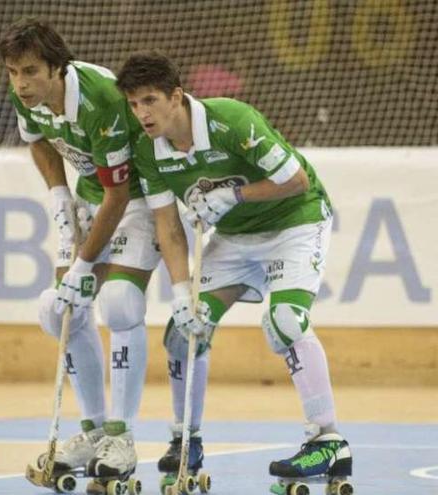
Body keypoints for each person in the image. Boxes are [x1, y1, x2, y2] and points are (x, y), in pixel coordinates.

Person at [116, 50, 352, 486]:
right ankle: (187, 438)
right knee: (183, 330)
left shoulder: (232, 121)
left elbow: (296, 180)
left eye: (149, 100)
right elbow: (168, 226)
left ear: (176, 97)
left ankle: (327, 439)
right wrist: (180, 290)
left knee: (283, 322)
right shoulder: (149, 151)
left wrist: (236, 196)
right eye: (133, 104)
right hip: (234, 240)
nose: (141, 113)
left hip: (294, 223)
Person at [0, 18, 161, 483]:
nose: (21, 83)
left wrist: (83, 262)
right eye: (12, 72)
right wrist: (57, 195)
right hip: (93, 197)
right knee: (58, 309)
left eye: (30, 71)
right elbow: (41, 145)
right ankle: (92, 431)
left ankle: (122, 437)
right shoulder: (24, 96)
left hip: (142, 199)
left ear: (56, 67)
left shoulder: (101, 99)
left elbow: (119, 193)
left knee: (120, 302)